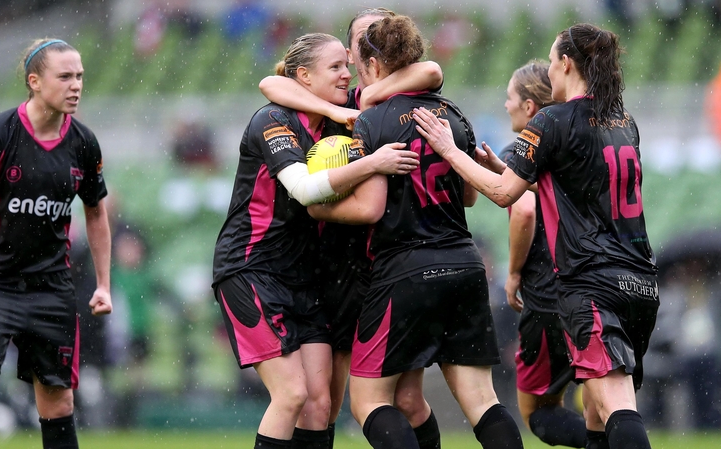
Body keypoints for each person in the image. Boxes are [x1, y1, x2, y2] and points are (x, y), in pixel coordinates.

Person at [413, 23, 659, 449]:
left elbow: (505, 194)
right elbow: (563, 183)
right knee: (598, 415)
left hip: (591, 285)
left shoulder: (553, 118)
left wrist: (448, 150)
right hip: (639, 283)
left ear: (566, 63)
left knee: (616, 405)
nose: (548, 70)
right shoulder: (624, 121)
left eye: (550, 61)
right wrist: (503, 168)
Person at [309, 15, 523, 449]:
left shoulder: (371, 123)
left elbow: (371, 208)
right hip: (464, 265)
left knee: (368, 403)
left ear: (371, 63)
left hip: (404, 271)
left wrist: (318, 205)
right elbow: (467, 197)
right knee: (483, 400)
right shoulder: (455, 115)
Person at [211, 32, 419, 449]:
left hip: (303, 277)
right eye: (336, 67)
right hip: (250, 269)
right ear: (303, 76)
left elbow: (429, 71)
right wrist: (373, 163)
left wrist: (332, 108)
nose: (347, 74)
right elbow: (304, 191)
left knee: (321, 406)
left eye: (347, 65)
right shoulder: (272, 120)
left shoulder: (336, 115)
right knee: (291, 396)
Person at [258, 7, 444, 448]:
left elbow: (433, 69)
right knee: (325, 401)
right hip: (338, 262)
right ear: (350, 50)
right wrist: (337, 108)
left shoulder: (391, 94)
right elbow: (270, 82)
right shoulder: (340, 97)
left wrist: (368, 99)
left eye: (379, 34)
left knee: (405, 399)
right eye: (362, 36)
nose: (369, 43)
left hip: (391, 258)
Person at [0, 38, 112, 449]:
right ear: (34, 81)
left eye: (80, 76)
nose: (76, 85)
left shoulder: (83, 143)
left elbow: (96, 212)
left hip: (50, 287)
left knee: (58, 403)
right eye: (64, 76)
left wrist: (103, 283)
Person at [497, 60, 586, 447]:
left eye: (510, 97)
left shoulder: (520, 150)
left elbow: (525, 211)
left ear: (530, 106)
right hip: (593, 288)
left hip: (548, 294)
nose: (505, 105)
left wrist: (514, 272)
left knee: (538, 413)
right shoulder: (580, 145)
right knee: (602, 399)